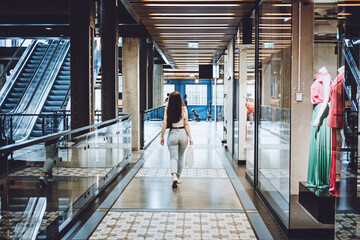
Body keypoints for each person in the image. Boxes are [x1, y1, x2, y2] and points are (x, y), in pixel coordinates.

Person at [160, 91, 193, 189]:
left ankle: (174, 176)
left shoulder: (168, 108)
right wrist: (190, 137)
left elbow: (165, 123)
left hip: (172, 134)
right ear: (180, 99)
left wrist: (162, 136)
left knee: (173, 157)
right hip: (183, 134)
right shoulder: (184, 109)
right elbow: (186, 124)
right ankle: (178, 177)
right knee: (181, 157)